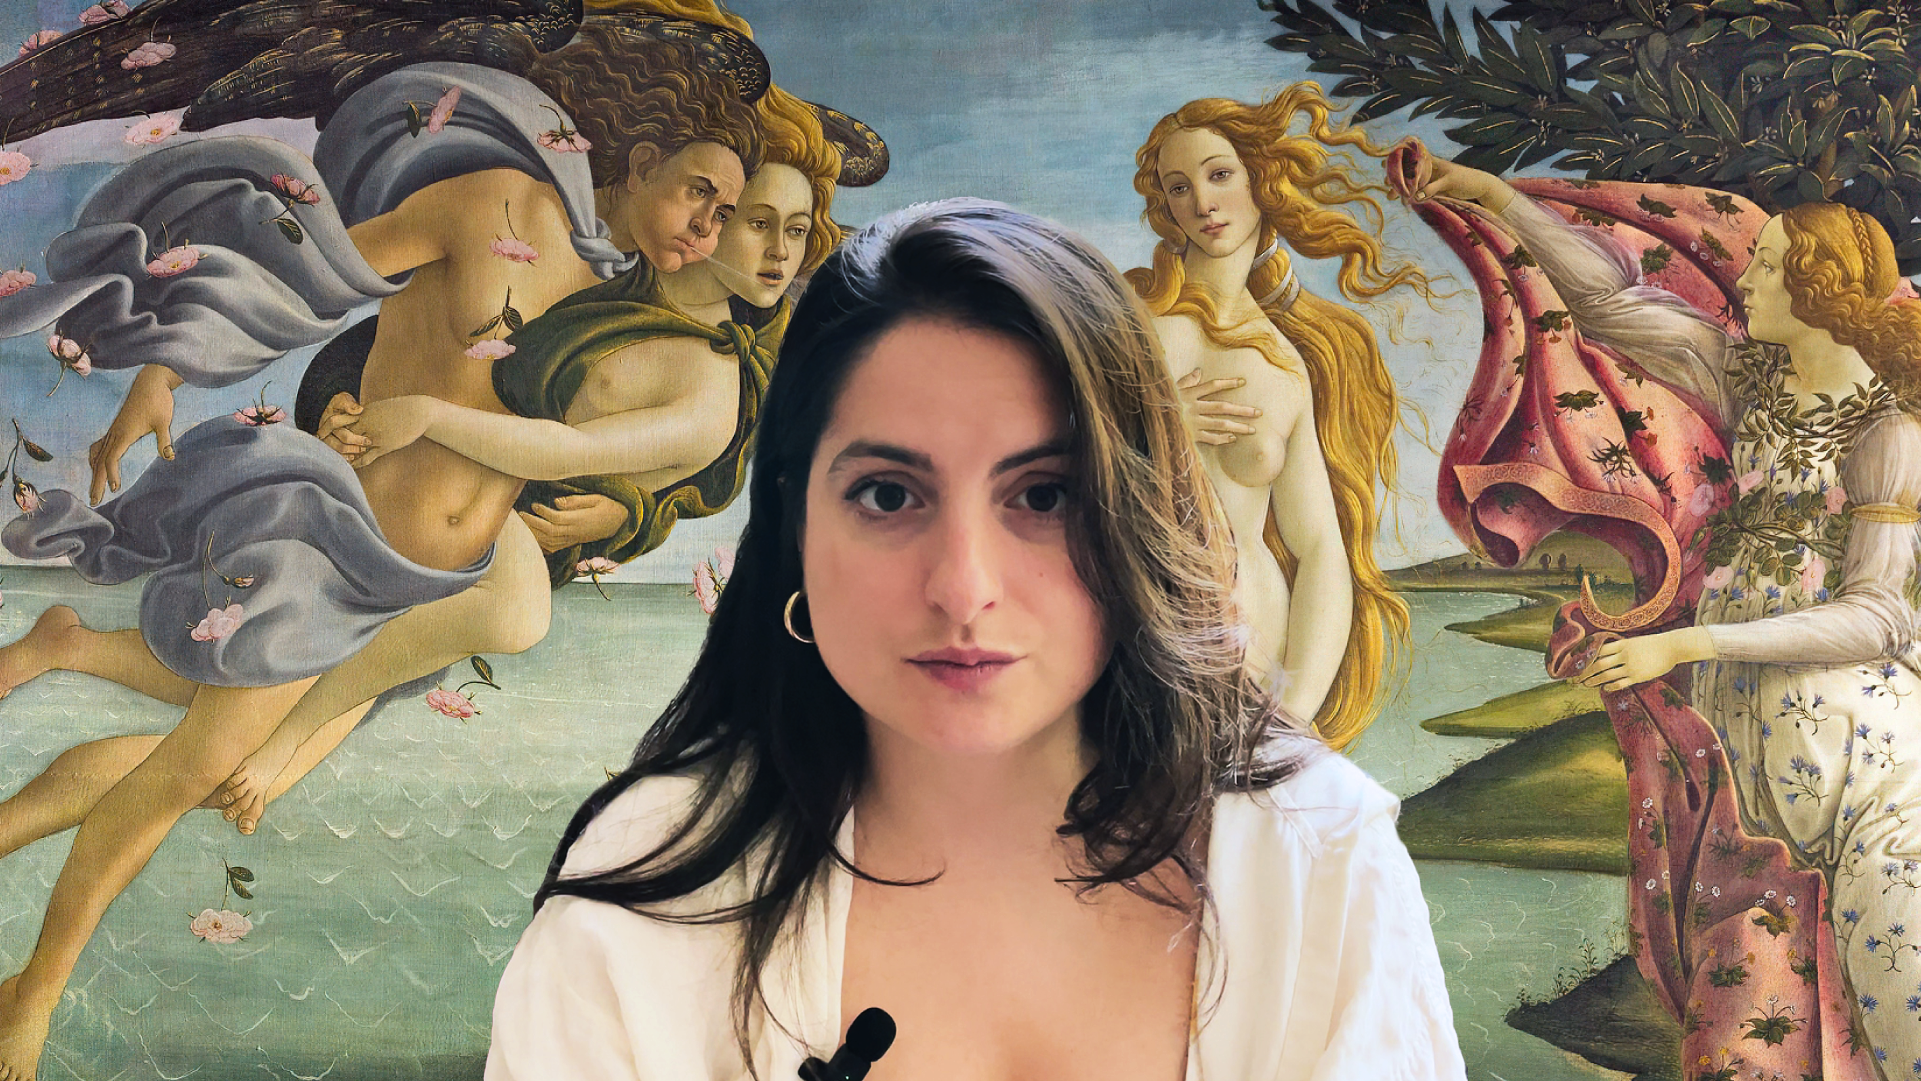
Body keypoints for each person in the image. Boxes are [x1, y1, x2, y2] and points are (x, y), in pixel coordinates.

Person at [484, 199, 1464, 1080]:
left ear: (1139, 513)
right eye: (887, 495)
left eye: (1044, 496)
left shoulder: (1321, 867)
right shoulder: (643, 901)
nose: (962, 587)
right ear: (794, 524)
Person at [0, 22, 765, 1077]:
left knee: (199, 758)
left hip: (429, 584)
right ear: (637, 163)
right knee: (192, 769)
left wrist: (617, 516)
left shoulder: (621, 304)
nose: (708, 228)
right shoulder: (497, 205)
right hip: (337, 542)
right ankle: (32, 993)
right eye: (698, 195)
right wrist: (164, 372)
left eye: (725, 214)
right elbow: (302, 275)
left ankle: (68, 653)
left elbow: (594, 445)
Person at [1415, 154, 1921, 1077]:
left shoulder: (1887, 432)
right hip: (1749, 755)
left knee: (1894, 1005)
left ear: (1815, 288)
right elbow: (1609, 303)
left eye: (1767, 264)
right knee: (1764, 1019)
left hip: (1865, 761)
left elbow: (1876, 617)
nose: (1745, 277)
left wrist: (1689, 641)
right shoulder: (1752, 383)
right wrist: (1494, 198)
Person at [1126, 85, 1431, 750]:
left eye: (1218, 175)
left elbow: (1319, 548)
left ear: (1259, 179)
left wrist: (1295, 715)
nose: (1202, 203)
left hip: (1257, 660)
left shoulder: (1286, 364)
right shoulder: (1128, 324)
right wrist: (1151, 420)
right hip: (1138, 650)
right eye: (1179, 187)